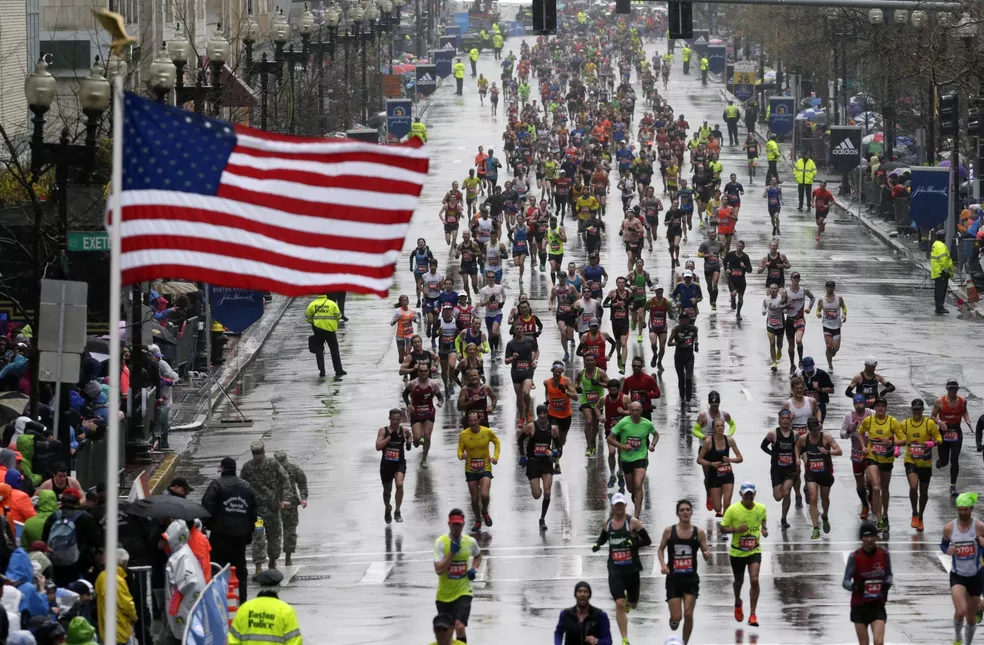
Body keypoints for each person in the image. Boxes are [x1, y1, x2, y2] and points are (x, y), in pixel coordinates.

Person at [591, 492, 652, 645]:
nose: (619, 508)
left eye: (621, 505)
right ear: (612, 506)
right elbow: (604, 536)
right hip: (615, 569)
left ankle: (628, 602)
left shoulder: (633, 523)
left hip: (631, 569)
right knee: (619, 604)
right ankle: (625, 639)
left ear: (625, 505)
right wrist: (598, 544)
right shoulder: (607, 523)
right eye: (616, 505)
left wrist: (634, 543)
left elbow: (647, 540)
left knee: (633, 604)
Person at [201, 456, 257, 602]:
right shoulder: (246, 486)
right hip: (240, 536)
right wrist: (249, 532)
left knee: (217, 569)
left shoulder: (217, 485)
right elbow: (253, 512)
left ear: (222, 468)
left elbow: (207, 506)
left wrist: (208, 525)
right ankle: (242, 600)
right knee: (240, 570)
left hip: (220, 534)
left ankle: (218, 600)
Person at [657, 500, 710, 645]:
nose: (685, 512)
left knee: (688, 614)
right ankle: (673, 620)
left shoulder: (698, 532)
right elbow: (660, 549)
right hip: (673, 579)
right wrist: (663, 565)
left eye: (688, 510)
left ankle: (684, 643)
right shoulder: (669, 531)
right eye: (682, 510)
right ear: (677, 514)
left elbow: (706, 552)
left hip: (691, 578)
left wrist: (707, 555)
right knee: (677, 617)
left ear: (692, 513)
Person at [721, 481, 767, 627]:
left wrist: (764, 529)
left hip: (754, 550)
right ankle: (737, 601)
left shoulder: (761, 508)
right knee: (739, 581)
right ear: (740, 494)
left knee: (754, 579)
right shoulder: (732, 510)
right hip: (737, 552)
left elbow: (763, 519)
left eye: (750, 494)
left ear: (754, 494)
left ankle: (753, 614)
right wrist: (736, 530)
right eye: (745, 494)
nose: (748, 496)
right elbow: (722, 528)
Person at [239, 441, 291, 572]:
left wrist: (285, 499)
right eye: (255, 454)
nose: (258, 457)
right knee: (258, 537)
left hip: (272, 508)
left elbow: (285, 480)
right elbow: (242, 487)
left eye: (260, 454)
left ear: (264, 452)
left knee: (274, 536)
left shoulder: (273, 464)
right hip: (257, 512)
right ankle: (258, 565)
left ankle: (273, 561)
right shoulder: (247, 468)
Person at [433, 509, 482, 644]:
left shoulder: (470, 542)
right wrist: (451, 554)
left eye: (459, 525)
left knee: (460, 626)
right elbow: (438, 570)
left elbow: (478, 556)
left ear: (463, 524)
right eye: (454, 524)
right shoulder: (441, 543)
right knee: (447, 631)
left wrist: (473, 569)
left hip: (463, 591)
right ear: (449, 524)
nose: (456, 527)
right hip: (444, 595)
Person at [942, 493, 984, 645]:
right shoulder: (949, 528)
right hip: (957, 575)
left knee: (971, 617)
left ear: (972, 509)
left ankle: (968, 643)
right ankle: (958, 638)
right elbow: (944, 545)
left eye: (966, 510)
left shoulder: (980, 527)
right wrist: (948, 550)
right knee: (960, 612)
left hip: (975, 575)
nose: (963, 513)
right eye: (960, 509)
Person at [608, 402, 659, 518]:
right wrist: (622, 446)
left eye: (638, 410)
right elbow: (610, 439)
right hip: (626, 459)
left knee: (638, 484)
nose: (635, 413)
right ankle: (635, 495)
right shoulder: (624, 422)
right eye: (633, 410)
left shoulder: (647, 424)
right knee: (631, 489)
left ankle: (637, 515)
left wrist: (653, 445)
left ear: (641, 411)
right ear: (629, 411)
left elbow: (656, 435)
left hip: (641, 457)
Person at [843, 521, 891, 645]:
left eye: (872, 536)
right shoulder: (855, 557)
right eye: (866, 537)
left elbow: (889, 574)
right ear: (861, 538)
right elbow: (845, 581)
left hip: (877, 604)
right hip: (859, 606)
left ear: (876, 537)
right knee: (864, 643)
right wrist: (854, 586)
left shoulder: (884, 554)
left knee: (878, 642)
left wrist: (887, 583)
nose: (869, 540)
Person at [859, 399, 903, 533]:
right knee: (876, 487)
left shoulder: (892, 422)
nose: (880, 408)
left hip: (887, 460)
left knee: (884, 488)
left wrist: (891, 443)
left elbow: (904, 440)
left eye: (883, 406)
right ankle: (878, 518)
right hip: (873, 458)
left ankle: (885, 515)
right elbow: (860, 432)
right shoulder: (869, 420)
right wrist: (863, 446)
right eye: (878, 406)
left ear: (886, 408)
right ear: (875, 407)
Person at [796, 417, 843, 539]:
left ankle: (825, 515)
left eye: (816, 429)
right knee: (812, 498)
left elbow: (839, 451)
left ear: (819, 427)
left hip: (825, 472)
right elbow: (797, 447)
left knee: (824, 497)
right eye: (811, 430)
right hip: (811, 473)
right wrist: (797, 458)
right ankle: (815, 528)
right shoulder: (804, 439)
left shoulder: (826, 437)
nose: (814, 432)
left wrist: (827, 452)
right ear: (809, 429)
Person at [228, 570, 302, 645]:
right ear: (278, 587)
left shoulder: (244, 608)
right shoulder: (286, 610)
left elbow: (233, 640)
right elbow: (294, 641)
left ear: (260, 586)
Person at [899, 399, 941, 532]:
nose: (917, 412)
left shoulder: (929, 424)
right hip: (910, 460)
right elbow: (898, 437)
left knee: (923, 492)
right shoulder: (905, 424)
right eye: (914, 410)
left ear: (923, 410)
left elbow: (939, 438)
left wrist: (932, 444)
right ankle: (914, 513)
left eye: (919, 410)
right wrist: (895, 448)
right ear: (911, 410)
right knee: (913, 486)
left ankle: (921, 517)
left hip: (925, 462)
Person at [162, 519, 205, 644]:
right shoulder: (183, 554)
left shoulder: (181, 557)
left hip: (183, 610)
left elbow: (186, 584)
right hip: (185, 609)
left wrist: (173, 608)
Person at [457, 411, 501, 532]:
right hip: (470, 470)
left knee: (485, 495)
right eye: (470, 421)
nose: (473, 423)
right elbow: (459, 451)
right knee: (475, 499)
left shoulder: (487, 432)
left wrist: (495, 457)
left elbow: (497, 442)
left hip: (485, 467)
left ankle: (485, 511)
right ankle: (477, 520)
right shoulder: (464, 434)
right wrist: (462, 455)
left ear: (479, 420)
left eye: (475, 421)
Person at [521, 405, 559, 531]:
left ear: (547, 414)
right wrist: (523, 455)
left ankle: (542, 518)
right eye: (540, 414)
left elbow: (558, 447)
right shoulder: (531, 427)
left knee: (547, 492)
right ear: (537, 414)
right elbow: (520, 440)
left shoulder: (553, 430)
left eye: (544, 413)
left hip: (546, 463)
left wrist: (554, 452)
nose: (542, 416)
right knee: (537, 495)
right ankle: (536, 486)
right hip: (533, 462)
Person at [933, 379, 972, 495]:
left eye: (954, 388)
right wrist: (940, 422)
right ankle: (940, 462)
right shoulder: (939, 401)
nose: (952, 391)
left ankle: (953, 486)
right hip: (944, 431)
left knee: (955, 458)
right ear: (947, 389)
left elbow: (964, 411)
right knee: (945, 461)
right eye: (950, 388)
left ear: (957, 389)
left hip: (956, 431)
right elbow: (933, 416)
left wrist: (967, 420)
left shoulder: (963, 401)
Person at [698, 418, 743, 517]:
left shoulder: (729, 440)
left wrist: (729, 460)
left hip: (727, 475)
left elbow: (740, 458)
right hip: (714, 476)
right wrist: (711, 464)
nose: (720, 428)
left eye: (722, 426)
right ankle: (713, 498)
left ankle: (725, 523)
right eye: (717, 426)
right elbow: (699, 460)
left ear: (724, 427)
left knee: (727, 502)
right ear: (713, 428)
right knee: (717, 507)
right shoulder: (708, 442)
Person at [94, 547, 137, 645]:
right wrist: (134, 616)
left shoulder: (101, 577)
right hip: (119, 629)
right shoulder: (118, 580)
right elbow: (127, 604)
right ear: (124, 563)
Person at [273, 451, 307, 567]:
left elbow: (302, 483)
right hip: (274, 505)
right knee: (273, 533)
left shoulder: (293, 469)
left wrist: (303, 498)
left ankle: (288, 557)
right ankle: (273, 559)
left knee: (290, 532)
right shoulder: (270, 471)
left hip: (290, 506)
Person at [553, 581, 613, 645]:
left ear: (590, 595)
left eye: (585, 592)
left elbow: (608, 641)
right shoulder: (566, 614)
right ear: (575, 595)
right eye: (579, 591)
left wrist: (598, 641)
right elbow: (558, 633)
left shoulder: (600, 615)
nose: (582, 594)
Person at [305, 294, 345, 380]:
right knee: (334, 350)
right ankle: (338, 370)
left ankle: (322, 371)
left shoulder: (312, 304)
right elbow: (338, 316)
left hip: (317, 330)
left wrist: (314, 322)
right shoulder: (332, 304)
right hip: (330, 331)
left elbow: (308, 317)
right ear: (325, 294)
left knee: (319, 351)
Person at [667, 310, 698, 406]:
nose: (684, 321)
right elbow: (669, 343)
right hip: (679, 356)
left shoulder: (694, 328)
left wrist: (696, 344)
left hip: (689, 356)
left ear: (689, 320)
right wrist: (677, 343)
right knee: (681, 378)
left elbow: (695, 337)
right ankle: (682, 397)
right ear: (680, 321)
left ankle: (689, 398)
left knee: (688, 378)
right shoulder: (676, 329)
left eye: (686, 319)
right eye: (682, 320)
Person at [817, 281, 846, 370]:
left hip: (837, 326)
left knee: (835, 349)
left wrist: (844, 314)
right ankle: (830, 365)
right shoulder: (821, 300)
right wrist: (818, 314)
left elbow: (844, 307)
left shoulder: (839, 298)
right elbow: (818, 310)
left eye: (832, 287)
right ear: (825, 287)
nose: (830, 289)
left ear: (834, 287)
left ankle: (832, 352)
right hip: (826, 325)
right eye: (829, 287)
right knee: (829, 346)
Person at [931, 238, 953, 314]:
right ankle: (940, 307)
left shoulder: (935, 244)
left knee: (938, 290)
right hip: (942, 272)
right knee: (941, 290)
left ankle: (938, 306)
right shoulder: (942, 246)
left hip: (937, 271)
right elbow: (944, 260)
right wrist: (946, 270)